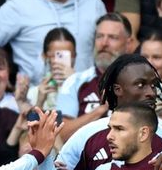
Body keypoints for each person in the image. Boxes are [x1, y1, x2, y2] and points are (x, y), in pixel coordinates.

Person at [56, 12, 136, 141]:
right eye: (99, 36)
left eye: (113, 37)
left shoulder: (141, 83)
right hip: (85, 159)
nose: (104, 43)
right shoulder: (75, 82)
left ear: (129, 44)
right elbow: (62, 135)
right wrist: (101, 109)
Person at [26, 27, 77, 111]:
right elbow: (28, 123)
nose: (61, 62)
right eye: (57, 55)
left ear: (75, 56)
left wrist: (76, 82)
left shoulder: (87, 86)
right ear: (45, 56)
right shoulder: (33, 93)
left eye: (66, 56)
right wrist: (39, 102)